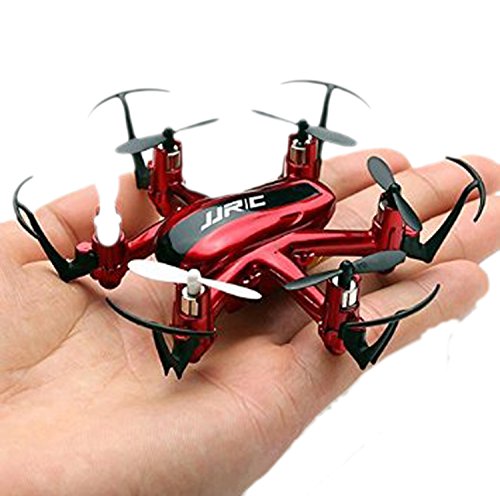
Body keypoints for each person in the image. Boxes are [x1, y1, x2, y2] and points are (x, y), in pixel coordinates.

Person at [0, 149, 498, 495]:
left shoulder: (187, 229)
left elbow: (278, 238)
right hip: (204, 229)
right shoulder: (175, 231)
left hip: (255, 220)